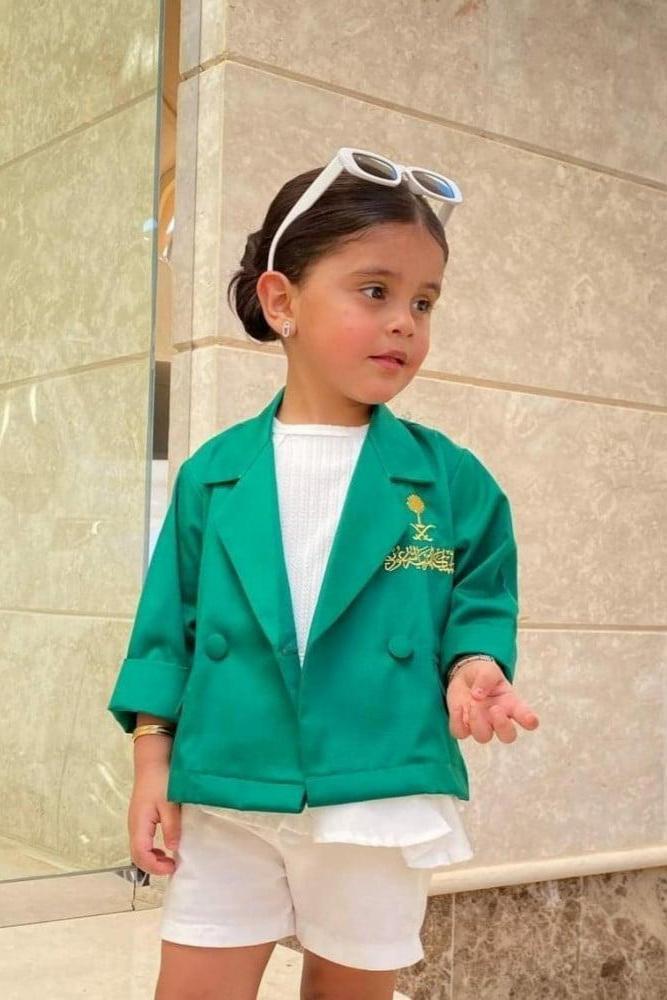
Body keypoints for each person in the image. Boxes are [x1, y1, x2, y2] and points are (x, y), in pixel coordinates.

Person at [107, 148, 540, 1000]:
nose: (404, 322)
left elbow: (481, 598)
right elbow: (166, 631)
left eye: (423, 301)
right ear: (281, 302)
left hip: (377, 788)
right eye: (374, 290)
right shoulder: (213, 474)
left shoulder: (453, 481)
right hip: (227, 784)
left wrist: (474, 663)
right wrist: (152, 765)